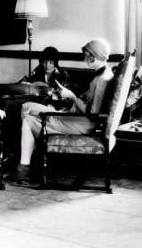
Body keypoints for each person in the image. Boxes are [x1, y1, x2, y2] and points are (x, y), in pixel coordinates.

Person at [15, 39, 114, 183]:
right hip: (78, 118)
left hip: (83, 123)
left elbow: (93, 113)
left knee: (27, 114)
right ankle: (26, 164)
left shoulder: (102, 79)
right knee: (27, 110)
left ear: (94, 55)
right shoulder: (104, 75)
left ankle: (25, 166)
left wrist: (71, 96)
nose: (85, 59)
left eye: (87, 55)